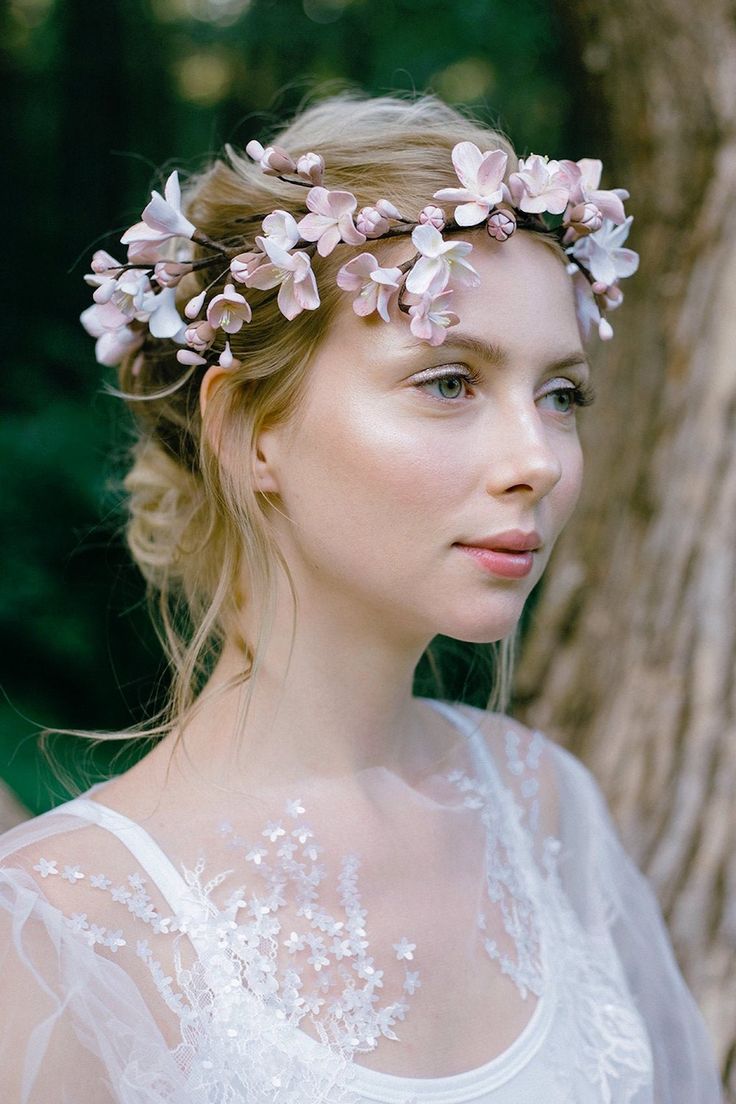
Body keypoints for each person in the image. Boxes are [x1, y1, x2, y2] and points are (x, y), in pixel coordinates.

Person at [0, 93, 723, 1103]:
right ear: (251, 433)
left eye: (560, 395)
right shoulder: (60, 929)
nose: (537, 461)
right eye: (447, 382)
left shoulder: (542, 804)